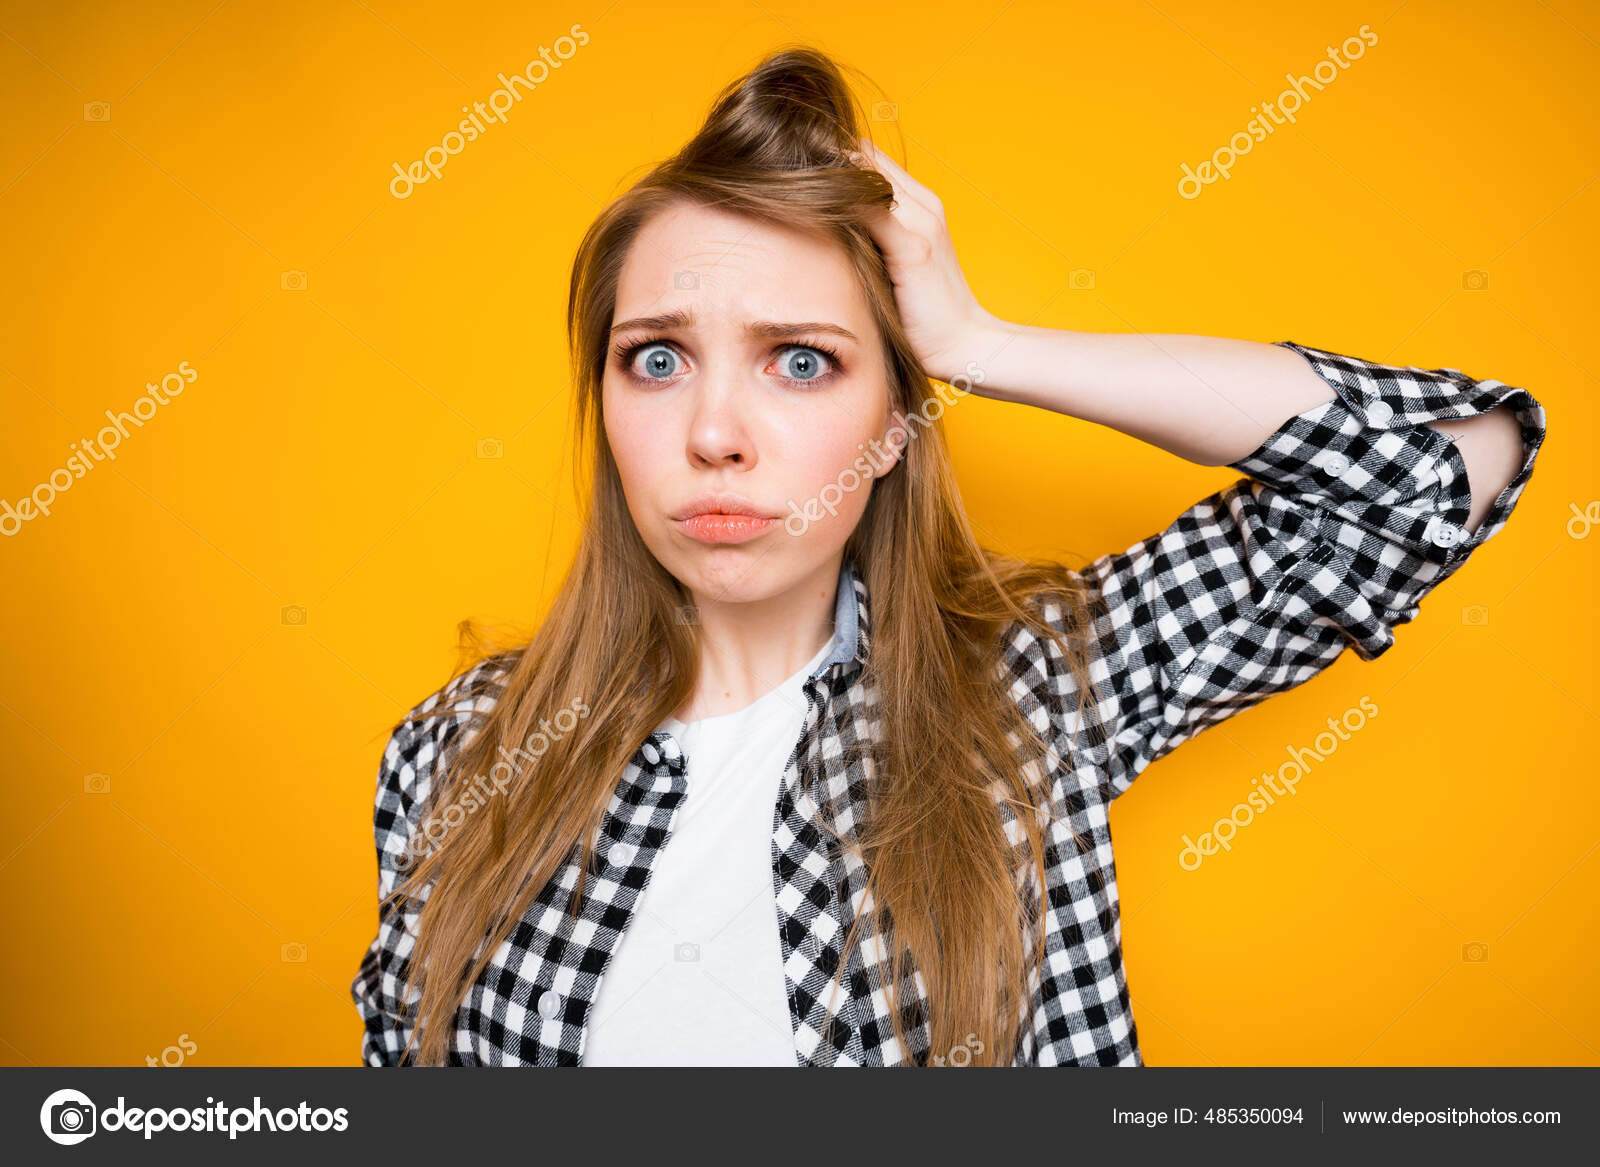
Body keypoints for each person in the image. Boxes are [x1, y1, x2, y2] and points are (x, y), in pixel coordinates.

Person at [351, 46, 1545, 1067]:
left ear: (891, 426)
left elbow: (1455, 457)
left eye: (801, 359)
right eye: (656, 358)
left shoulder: (1036, 693)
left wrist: (982, 342)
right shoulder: (456, 754)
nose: (711, 434)